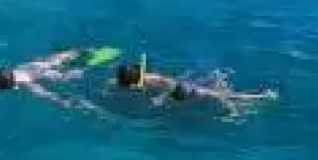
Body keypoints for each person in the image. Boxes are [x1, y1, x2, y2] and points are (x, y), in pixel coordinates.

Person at [113, 55, 277, 112]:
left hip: (184, 91)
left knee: (222, 96)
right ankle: (248, 98)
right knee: (217, 95)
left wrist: (162, 98)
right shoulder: (143, 79)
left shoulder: (153, 79)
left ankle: (262, 97)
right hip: (180, 89)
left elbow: (168, 83)